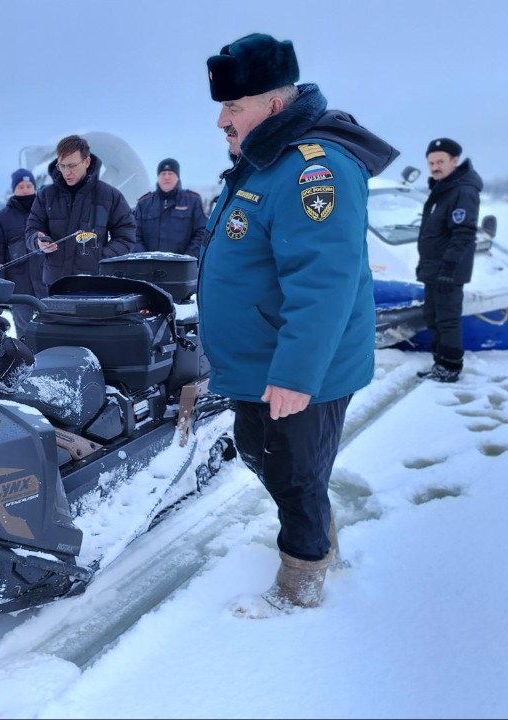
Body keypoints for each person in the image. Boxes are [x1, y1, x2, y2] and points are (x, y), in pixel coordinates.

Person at [198, 34, 399, 610]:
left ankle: (302, 582)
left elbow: (323, 283)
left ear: (275, 105)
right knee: (265, 456)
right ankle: (317, 538)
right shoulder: (261, 165)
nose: (221, 121)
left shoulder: (316, 169)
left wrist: (296, 374)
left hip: (299, 369)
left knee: (296, 479)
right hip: (262, 362)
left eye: (233, 107)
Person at [25, 134, 135, 292]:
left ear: (86, 162)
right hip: (55, 285)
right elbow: (32, 229)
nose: (66, 172)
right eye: (62, 166)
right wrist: (38, 241)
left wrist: (101, 257)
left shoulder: (110, 196)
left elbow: (126, 235)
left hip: (95, 284)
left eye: (72, 165)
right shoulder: (46, 195)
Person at [415, 138, 483, 383]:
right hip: (434, 268)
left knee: (447, 319)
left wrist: (449, 269)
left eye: (440, 161)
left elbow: (463, 233)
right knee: (433, 316)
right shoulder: (443, 188)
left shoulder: (462, 190)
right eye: (431, 162)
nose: (435, 167)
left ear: (455, 161)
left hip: (448, 271)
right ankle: (440, 363)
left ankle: (451, 367)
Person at [0, 169, 45, 337]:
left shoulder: (46, 212)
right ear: (14, 190)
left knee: (51, 325)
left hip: (46, 283)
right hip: (19, 286)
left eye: (29, 185)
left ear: (35, 187)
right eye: (21, 186)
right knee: (24, 331)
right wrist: (0, 287)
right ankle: (27, 361)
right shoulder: (2, 217)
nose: (26, 189)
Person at [132, 158, 208, 258]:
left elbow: (202, 232)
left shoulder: (192, 201)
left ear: (177, 177)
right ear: (158, 177)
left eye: (170, 173)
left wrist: (188, 258)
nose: (166, 177)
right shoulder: (144, 203)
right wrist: (145, 258)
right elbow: (135, 234)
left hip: (183, 268)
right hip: (149, 267)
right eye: (163, 174)